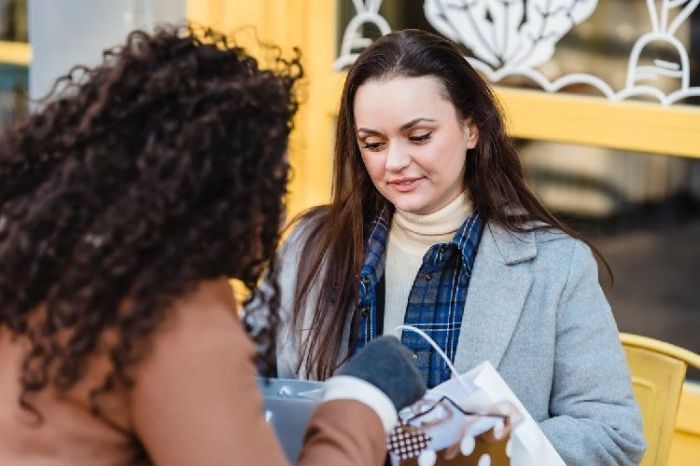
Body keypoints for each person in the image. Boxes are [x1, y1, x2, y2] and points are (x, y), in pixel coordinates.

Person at [0, 25, 426, 465]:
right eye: (272, 179)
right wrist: (362, 400)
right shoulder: (173, 311)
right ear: (226, 189)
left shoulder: (41, 269)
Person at [245, 29, 647, 465]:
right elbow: (242, 388)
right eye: (373, 144)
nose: (394, 162)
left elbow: (613, 434)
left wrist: (479, 452)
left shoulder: (556, 265)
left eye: (418, 137)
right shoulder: (309, 246)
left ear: (471, 128)